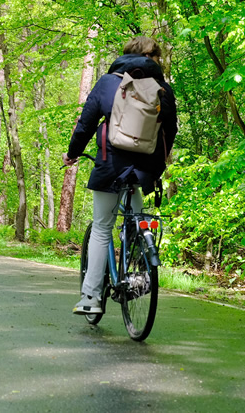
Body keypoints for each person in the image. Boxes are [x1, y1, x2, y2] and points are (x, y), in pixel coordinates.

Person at [64, 36, 178, 315]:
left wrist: (72, 153)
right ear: (154, 57)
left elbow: (86, 123)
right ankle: (140, 270)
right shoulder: (163, 88)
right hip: (146, 168)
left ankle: (91, 297)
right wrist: (158, 164)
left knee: (102, 228)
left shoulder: (108, 82)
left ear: (126, 55)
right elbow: (170, 130)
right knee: (140, 222)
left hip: (111, 164)